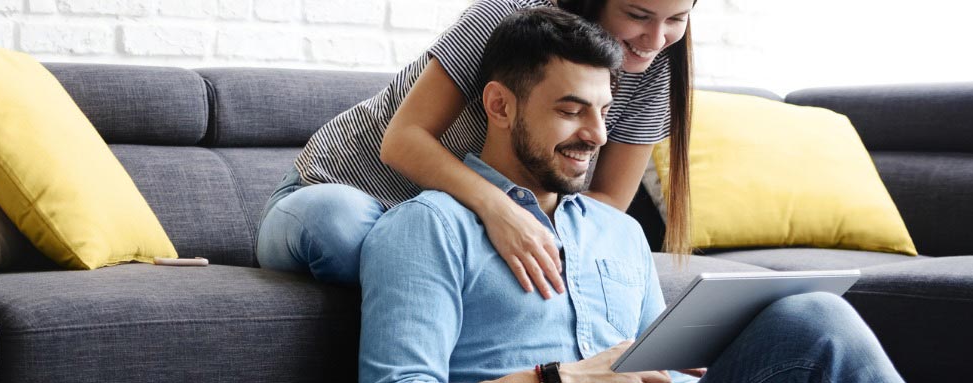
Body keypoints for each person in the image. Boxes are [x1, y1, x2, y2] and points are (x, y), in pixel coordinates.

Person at [357, 8, 903, 383]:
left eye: (604, 111)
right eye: (570, 111)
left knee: (815, 319)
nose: (596, 135)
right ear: (500, 107)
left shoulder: (617, 232)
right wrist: (562, 377)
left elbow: (652, 365)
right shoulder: (427, 227)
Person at [258, 0, 695, 298]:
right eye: (638, 15)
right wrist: (500, 212)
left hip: (461, 237)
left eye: (677, 18)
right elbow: (403, 140)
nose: (656, 39)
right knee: (347, 229)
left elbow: (606, 206)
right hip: (351, 196)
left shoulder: (653, 72)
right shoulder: (508, 19)